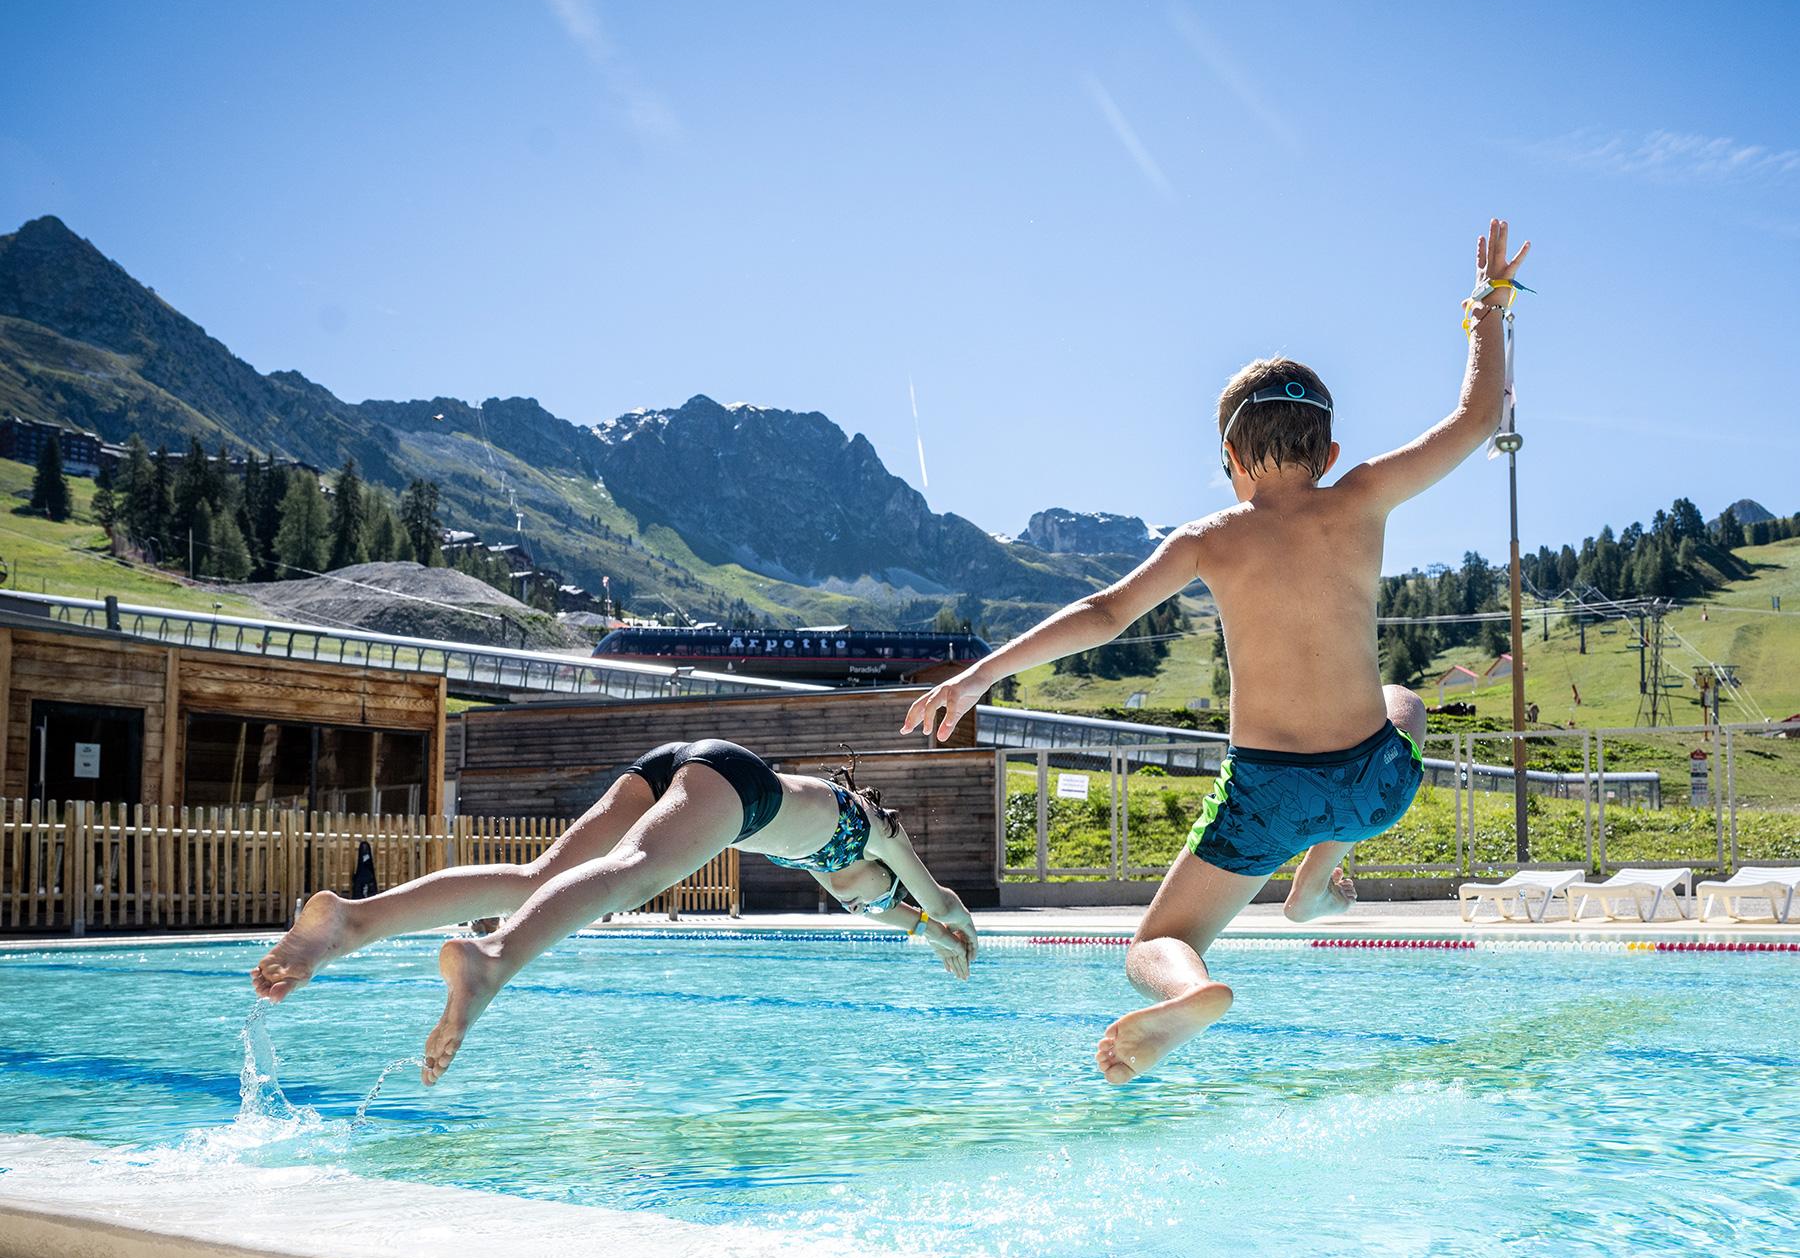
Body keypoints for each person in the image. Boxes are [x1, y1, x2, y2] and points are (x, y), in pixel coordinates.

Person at [905, 218, 1529, 1085]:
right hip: (1372, 788)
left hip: (1268, 794)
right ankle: (1316, 885)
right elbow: (1474, 416)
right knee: (1405, 702)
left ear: (1230, 456)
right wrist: (1487, 304)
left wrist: (979, 674)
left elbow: (1103, 612)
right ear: (1334, 450)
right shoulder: (1364, 496)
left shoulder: (1210, 537)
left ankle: (1188, 991)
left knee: (1157, 938)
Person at [251, 740, 978, 1084]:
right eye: (880, 893)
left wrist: (924, 934)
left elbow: (901, 912)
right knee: (628, 878)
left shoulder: (845, 873)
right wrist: (953, 924)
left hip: (683, 764)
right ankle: (493, 960)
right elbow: (935, 895)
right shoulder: (876, 830)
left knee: (538, 878)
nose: (874, 900)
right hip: (738, 787)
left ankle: (351, 922)